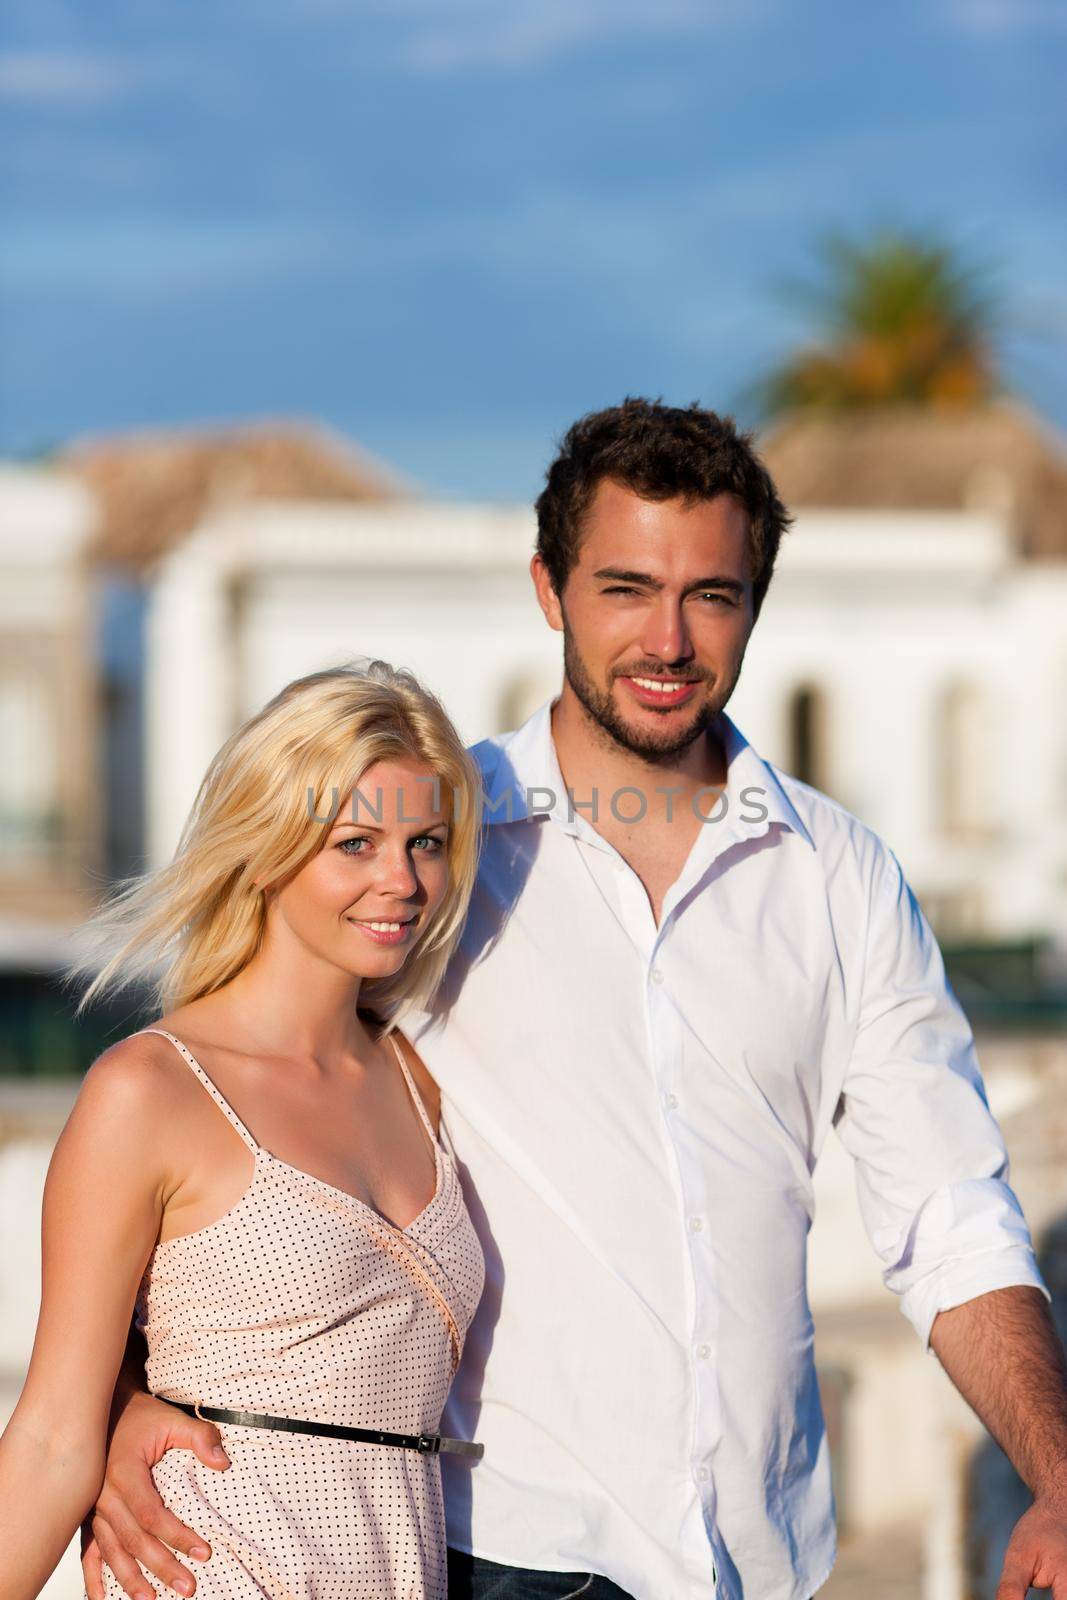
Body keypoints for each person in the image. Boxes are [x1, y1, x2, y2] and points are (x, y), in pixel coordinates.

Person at [85, 400, 1067, 1600]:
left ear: (755, 601)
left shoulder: (839, 875)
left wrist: (1056, 1479)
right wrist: (129, 1390)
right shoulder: (435, 846)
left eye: (711, 593)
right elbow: (230, 1099)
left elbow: (949, 1215)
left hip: (760, 1557)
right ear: (547, 590)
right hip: (507, 1551)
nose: (667, 637)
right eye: (623, 588)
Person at [0, 661, 486, 1600]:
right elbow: (53, 1433)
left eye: (425, 841)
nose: (402, 879)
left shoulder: (423, 1079)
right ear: (266, 850)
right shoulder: (151, 1091)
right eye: (355, 843)